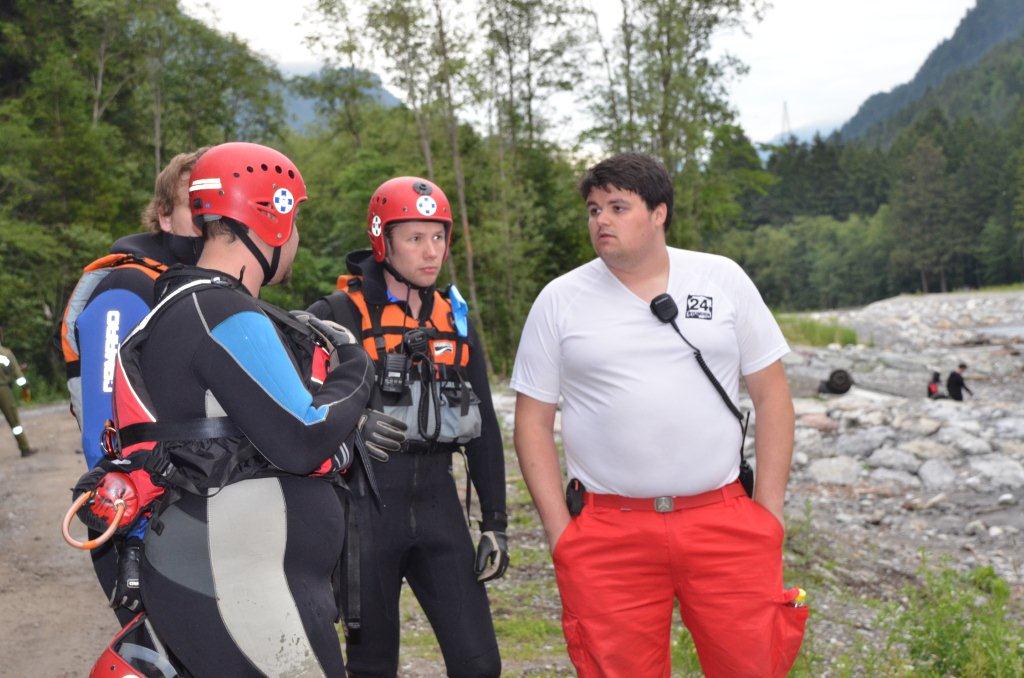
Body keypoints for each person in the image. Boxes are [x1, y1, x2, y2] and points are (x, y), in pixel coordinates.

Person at [97, 142, 399, 675]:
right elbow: (303, 437)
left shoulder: (188, 304)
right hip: (237, 580)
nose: (297, 236)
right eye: (295, 219)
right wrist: (355, 361)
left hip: (233, 572)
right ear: (271, 219)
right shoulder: (219, 310)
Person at [511, 152, 806, 677]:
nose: (601, 220)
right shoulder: (559, 300)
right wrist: (562, 533)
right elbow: (532, 422)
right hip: (608, 532)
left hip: (723, 522)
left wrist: (769, 514)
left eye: (617, 207)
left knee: (753, 666)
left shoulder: (721, 279)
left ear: (658, 213)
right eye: (594, 209)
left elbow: (773, 397)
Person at [307, 176, 508, 677]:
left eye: (438, 236)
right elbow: (297, 410)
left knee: (480, 665)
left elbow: (484, 429)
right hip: (366, 510)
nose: (431, 251)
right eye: (415, 238)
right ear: (383, 241)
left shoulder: (454, 319)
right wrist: (353, 425)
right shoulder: (335, 315)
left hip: (440, 505)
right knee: (372, 667)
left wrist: (496, 523)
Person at [59, 148, 208, 625]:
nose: (207, 218)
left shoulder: (196, 286)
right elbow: (104, 435)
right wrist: (136, 539)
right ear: (164, 216)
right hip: (139, 529)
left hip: (188, 516)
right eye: (193, 206)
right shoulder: (128, 288)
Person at [0, 333, 35, 457]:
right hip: (3, 390)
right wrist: (25, 386)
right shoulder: (6, 353)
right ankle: (24, 448)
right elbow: (17, 373)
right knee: (14, 422)